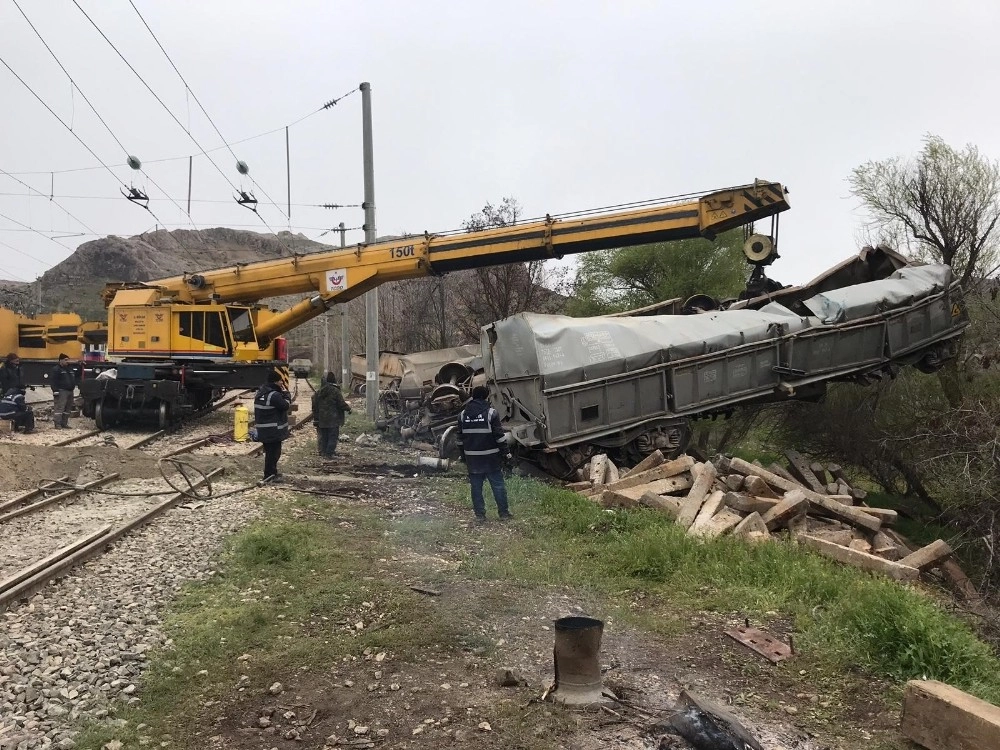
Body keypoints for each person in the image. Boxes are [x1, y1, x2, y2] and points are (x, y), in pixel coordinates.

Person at [456, 385, 512, 522]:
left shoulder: (462, 415)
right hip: (491, 458)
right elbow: (499, 437)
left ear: (473, 397)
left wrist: (463, 457)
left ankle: (480, 516)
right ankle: (504, 514)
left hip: (473, 460)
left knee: (476, 488)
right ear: (486, 397)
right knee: (498, 486)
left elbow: (459, 440)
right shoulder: (491, 413)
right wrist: (506, 454)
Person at [254, 370, 291, 482]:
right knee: (273, 454)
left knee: (270, 453)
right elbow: (285, 406)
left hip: (263, 429)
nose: (281, 383)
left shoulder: (261, 393)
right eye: (280, 380)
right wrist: (287, 395)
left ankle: (271, 474)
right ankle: (269, 476)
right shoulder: (274, 395)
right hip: (273, 430)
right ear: (275, 381)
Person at [312, 371, 351, 459]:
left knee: (324, 436)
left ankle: (324, 452)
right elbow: (341, 404)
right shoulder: (335, 391)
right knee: (333, 436)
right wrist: (348, 408)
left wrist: (316, 417)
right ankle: (330, 453)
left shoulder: (318, 392)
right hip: (333, 418)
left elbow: (314, 405)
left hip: (322, 419)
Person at [50, 353, 77, 429]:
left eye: (68, 360)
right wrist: (55, 390)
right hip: (61, 391)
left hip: (70, 391)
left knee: (67, 408)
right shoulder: (56, 369)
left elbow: (76, 375)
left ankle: (64, 423)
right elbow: (53, 381)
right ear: (60, 360)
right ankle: (57, 424)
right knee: (59, 408)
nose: (67, 361)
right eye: (65, 360)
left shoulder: (69, 369)